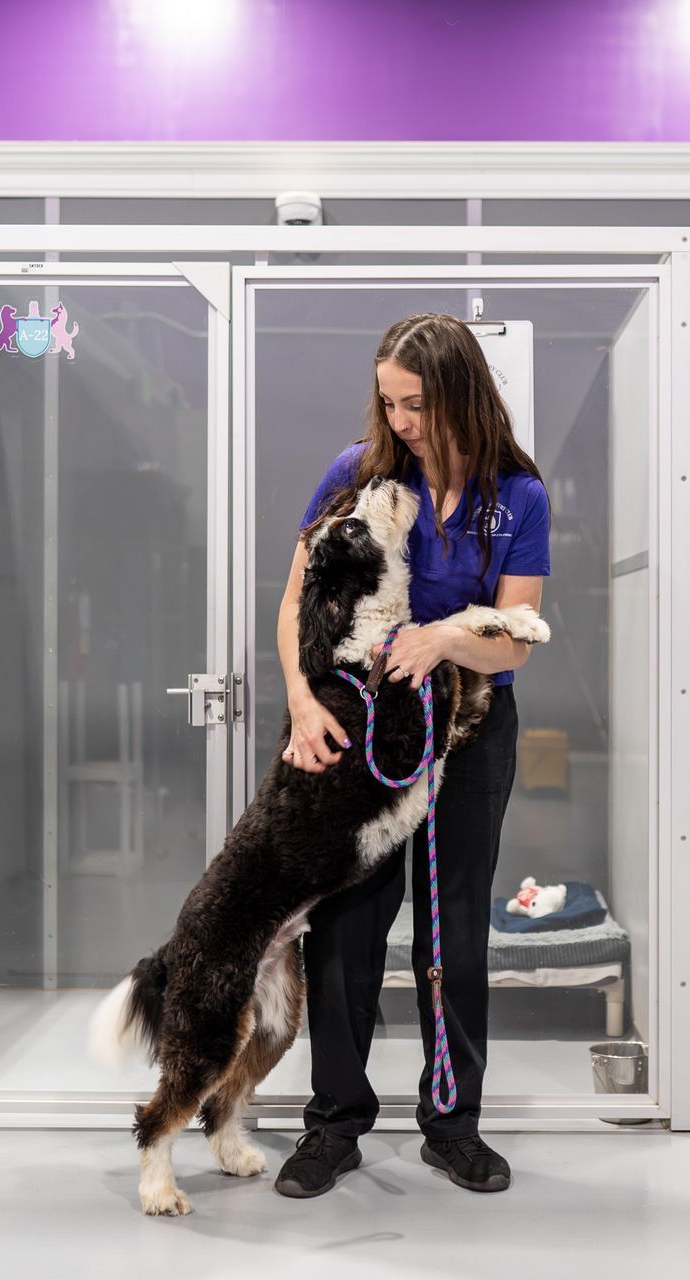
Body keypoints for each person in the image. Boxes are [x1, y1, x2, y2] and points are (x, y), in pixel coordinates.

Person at [272, 313, 550, 1198]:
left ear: (463, 393)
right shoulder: (354, 475)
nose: (400, 422)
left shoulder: (519, 498)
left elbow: (513, 643)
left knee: (455, 929)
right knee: (347, 926)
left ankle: (452, 1123)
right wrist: (301, 701)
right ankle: (334, 1124)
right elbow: (296, 602)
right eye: (389, 403)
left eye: (417, 405)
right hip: (360, 727)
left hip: (468, 732)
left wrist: (440, 641)